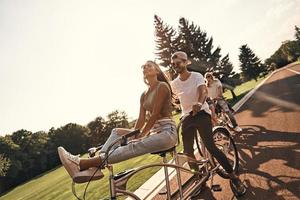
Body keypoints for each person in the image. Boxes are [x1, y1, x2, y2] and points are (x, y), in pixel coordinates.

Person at [58, 60, 177, 183]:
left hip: (167, 132)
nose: (146, 67)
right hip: (153, 132)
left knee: (133, 145)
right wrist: (133, 134)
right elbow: (141, 119)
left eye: (149, 65)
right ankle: (95, 167)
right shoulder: (144, 95)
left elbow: (155, 115)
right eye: (144, 67)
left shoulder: (162, 86)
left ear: (157, 70)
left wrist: (140, 136)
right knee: (116, 131)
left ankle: (82, 163)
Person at [170, 51, 246, 195]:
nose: (175, 66)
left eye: (178, 63)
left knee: (211, 146)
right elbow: (174, 100)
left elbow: (203, 91)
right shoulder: (174, 83)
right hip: (187, 117)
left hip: (201, 114)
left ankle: (233, 176)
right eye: (173, 64)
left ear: (186, 62)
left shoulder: (197, 76)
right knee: (187, 152)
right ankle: (199, 178)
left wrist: (199, 103)